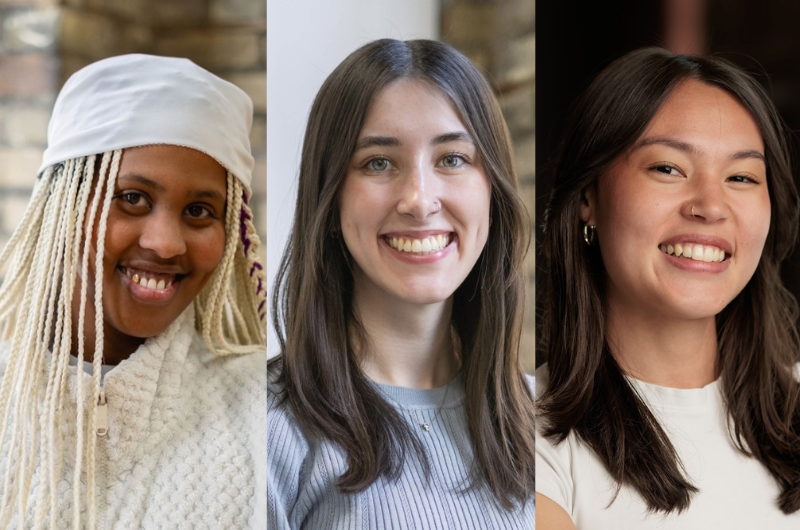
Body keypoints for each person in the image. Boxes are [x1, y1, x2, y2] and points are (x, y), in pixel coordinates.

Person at [268, 38, 536, 528]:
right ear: (330, 204)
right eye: (378, 163)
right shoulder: (268, 432)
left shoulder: (551, 425)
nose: (418, 199)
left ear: (492, 192)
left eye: (452, 159)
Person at [536, 47, 800, 529]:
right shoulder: (527, 442)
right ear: (588, 197)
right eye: (668, 168)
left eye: (741, 176)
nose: (710, 206)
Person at [0, 55, 267, 529]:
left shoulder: (266, 406)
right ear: (60, 207)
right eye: (131, 198)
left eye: (200, 211)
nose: (165, 242)